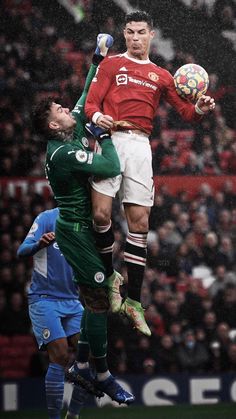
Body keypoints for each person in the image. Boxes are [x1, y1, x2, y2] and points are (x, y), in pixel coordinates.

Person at [85, 10, 216, 336]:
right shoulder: (111, 64)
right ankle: (110, 276)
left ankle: (135, 301)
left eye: (140, 32)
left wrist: (200, 108)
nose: (134, 38)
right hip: (110, 140)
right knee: (101, 216)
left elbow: (186, 112)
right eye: (129, 32)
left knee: (139, 224)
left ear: (151, 35)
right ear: (125, 34)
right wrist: (98, 116)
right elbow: (90, 104)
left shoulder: (161, 75)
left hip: (141, 146)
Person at [32, 34, 134, 406]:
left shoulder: (64, 132)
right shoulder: (61, 154)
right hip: (75, 233)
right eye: (59, 111)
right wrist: (102, 136)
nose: (65, 109)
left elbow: (83, 96)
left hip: (83, 230)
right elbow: (109, 165)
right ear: (56, 128)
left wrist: (97, 57)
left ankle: (83, 366)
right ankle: (101, 374)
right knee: (100, 301)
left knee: (98, 296)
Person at [17, 208, 87, 419]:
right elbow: (22, 250)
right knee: (61, 354)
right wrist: (40, 244)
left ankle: (73, 415)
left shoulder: (85, 223)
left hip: (73, 301)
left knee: (90, 356)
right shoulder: (47, 218)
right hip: (45, 299)